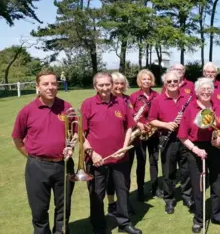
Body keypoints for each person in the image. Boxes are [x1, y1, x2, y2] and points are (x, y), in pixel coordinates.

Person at [12, 70, 75, 234]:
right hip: (37, 167)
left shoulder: (66, 106)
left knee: (64, 208)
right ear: (37, 87)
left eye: (54, 83)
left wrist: (72, 146)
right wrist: (32, 157)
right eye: (46, 84)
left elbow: (76, 132)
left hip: (64, 165)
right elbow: (17, 138)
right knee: (39, 210)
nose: (51, 87)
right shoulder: (27, 111)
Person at [81, 72, 141, 234]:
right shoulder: (87, 104)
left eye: (108, 84)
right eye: (101, 85)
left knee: (122, 191)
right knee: (97, 195)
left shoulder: (121, 102)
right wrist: (92, 153)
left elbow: (129, 126)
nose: (105, 88)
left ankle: (124, 223)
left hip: (120, 158)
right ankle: (99, 227)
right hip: (97, 160)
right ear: (95, 87)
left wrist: (124, 145)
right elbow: (81, 133)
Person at [178, 78, 220, 233]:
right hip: (196, 150)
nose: (206, 91)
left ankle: (218, 215)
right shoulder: (190, 109)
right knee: (199, 186)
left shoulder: (218, 107)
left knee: (217, 182)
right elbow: (182, 136)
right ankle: (198, 219)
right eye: (203, 88)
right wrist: (196, 150)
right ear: (197, 91)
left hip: (215, 147)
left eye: (209, 88)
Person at [149, 70, 194, 214]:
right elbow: (151, 120)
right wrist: (166, 125)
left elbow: (194, 117)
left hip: (185, 139)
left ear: (180, 82)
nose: (173, 83)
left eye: (175, 81)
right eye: (169, 81)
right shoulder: (158, 100)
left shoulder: (188, 98)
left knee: (186, 169)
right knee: (168, 171)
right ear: (165, 83)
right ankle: (169, 199)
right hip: (167, 139)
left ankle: (187, 196)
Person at [106, 72, 135, 216]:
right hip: (111, 144)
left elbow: (131, 118)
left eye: (121, 83)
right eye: (116, 83)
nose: (119, 86)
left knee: (124, 176)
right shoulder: (108, 100)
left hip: (127, 142)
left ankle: (124, 202)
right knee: (110, 177)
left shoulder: (127, 99)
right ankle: (111, 204)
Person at [130, 69, 160, 200]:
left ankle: (155, 188)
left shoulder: (157, 95)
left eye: (149, 79)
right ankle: (140, 190)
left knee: (154, 161)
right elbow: (130, 114)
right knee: (141, 162)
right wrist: (139, 125)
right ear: (139, 81)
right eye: (144, 79)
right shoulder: (134, 96)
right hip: (140, 133)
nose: (147, 81)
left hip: (154, 133)